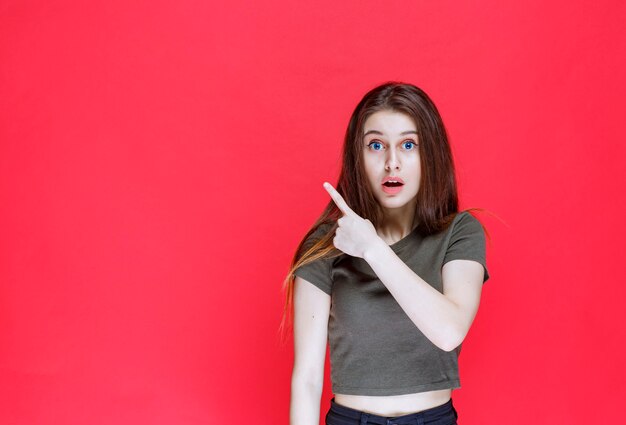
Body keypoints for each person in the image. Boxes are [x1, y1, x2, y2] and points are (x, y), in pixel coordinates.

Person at [280, 82, 490, 425]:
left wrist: (372, 248)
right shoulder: (324, 244)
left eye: (409, 145)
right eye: (376, 145)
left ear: (430, 155)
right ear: (357, 156)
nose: (392, 163)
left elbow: (449, 330)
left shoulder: (460, 232)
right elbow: (307, 379)